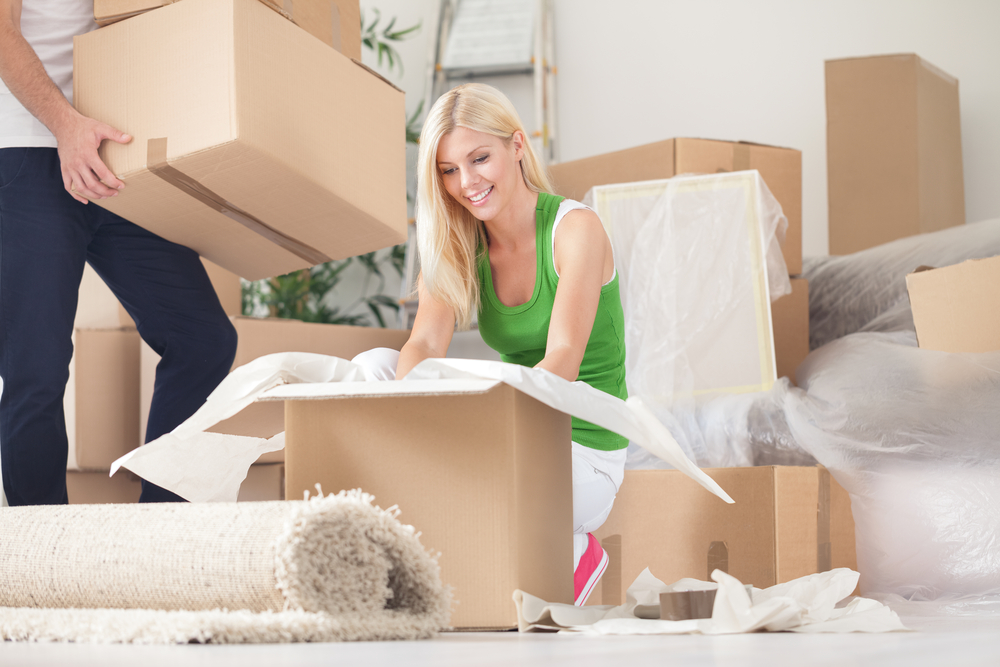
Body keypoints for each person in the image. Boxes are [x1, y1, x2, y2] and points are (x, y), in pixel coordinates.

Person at [353, 83, 628, 606]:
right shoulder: (461, 242)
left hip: (580, 451)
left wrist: (479, 434)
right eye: (448, 170)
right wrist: (418, 416)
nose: (466, 183)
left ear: (517, 146)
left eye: (480, 159)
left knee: (474, 478)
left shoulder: (576, 230)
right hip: (512, 432)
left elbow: (563, 359)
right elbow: (425, 343)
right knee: (374, 366)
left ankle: (575, 552)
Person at [0, 0, 237, 505]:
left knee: (203, 340)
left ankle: (154, 538)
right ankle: (43, 560)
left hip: (119, 151)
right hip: (29, 152)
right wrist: (66, 126)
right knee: (34, 369)